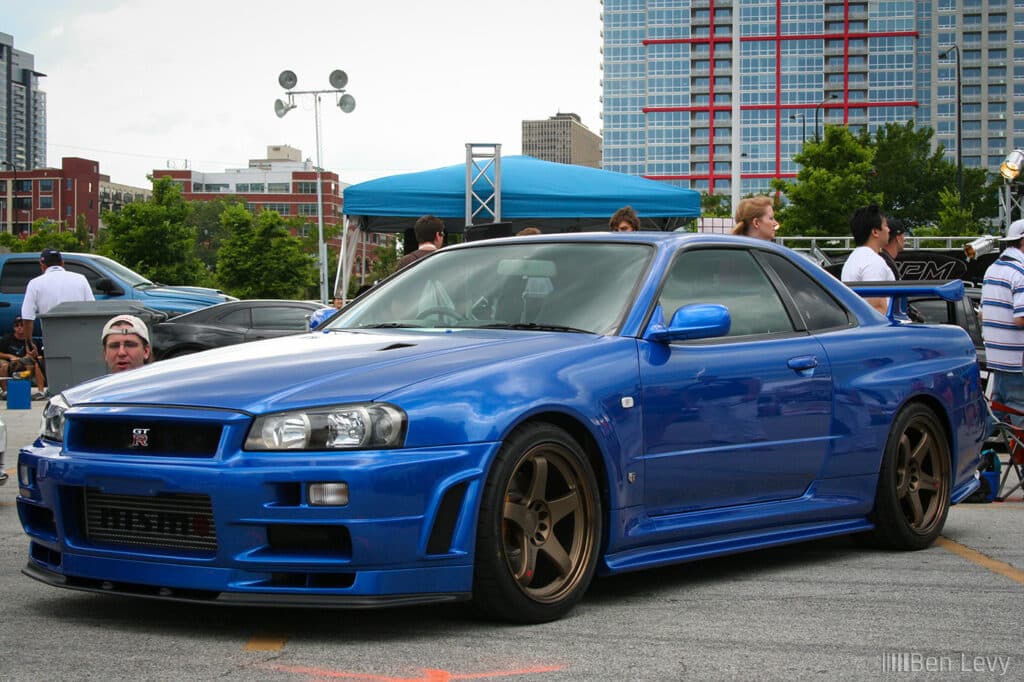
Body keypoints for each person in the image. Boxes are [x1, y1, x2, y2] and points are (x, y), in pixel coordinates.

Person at [981, 219, 1024, 417]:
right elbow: (1021, 318)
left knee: (997, 413)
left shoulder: (992, 270)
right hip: (1017, 362)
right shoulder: (1020, 273)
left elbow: (982, 313)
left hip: (997, 359)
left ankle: (973, 448)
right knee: (1019, 419)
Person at [21, 248, 94, 338]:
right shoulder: (81, 279)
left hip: (51, 339)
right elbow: (91, 309)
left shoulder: (35, 283)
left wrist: (29, 343)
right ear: (62, 263)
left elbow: (27, 317)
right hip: (79, 337)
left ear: (42, 265)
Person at [840, 204, 893, 314]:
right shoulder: (873, 262)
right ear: (875, 232)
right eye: (885, 225)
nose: (889, 230)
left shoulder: (853, 259)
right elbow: (878, 307)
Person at [0, 315, 47, 400]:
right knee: (4, 365)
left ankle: (41, 392)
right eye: (17, 326)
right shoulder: (7, 339)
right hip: (11, 363)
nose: (20, 328)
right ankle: (5, 391)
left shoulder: (31, 340)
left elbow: (39, 355)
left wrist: (34, 357)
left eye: (22, 325)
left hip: (26, 363)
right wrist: (10, 356)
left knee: (36, 364)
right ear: (14, 327)